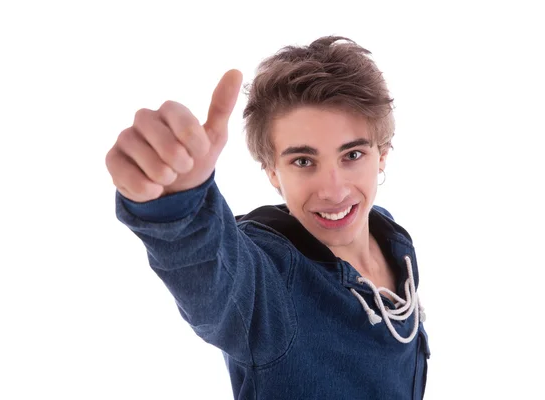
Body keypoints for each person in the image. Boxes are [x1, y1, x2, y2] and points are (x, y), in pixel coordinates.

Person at [105, 35, 430, 399]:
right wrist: (178, 203)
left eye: (352, 155)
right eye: (303, 162)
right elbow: (215, 276)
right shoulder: (272, 281)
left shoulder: (392, 239)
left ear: (382, 154)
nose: (334, 190)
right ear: (272, 171)